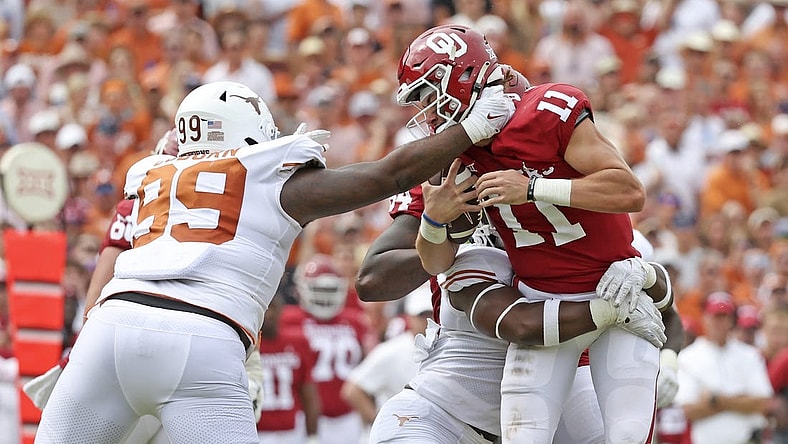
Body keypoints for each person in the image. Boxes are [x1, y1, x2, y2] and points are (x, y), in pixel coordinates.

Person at [34, 79, 514, 443]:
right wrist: (470, 130)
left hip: (108, 328)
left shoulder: (152, 174)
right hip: (202, 338)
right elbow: (387, 174)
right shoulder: (265, 175)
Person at [397, 24, 661, 443]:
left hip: (613, 295)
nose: (427, 113)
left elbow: (629, 191)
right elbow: (436, 264)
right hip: (544, 307)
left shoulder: (545, 112)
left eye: (430, 95)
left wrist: (533, 187)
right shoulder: (458, 154)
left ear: (464, 77)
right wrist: (433, 221)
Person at [278, 254, 369, 444]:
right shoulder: (288, 319)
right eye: (318, 289)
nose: (324, 295)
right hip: (306, 416)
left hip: (348, 415)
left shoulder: (354, 320)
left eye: (330, 289)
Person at [674, 291, 773, 444]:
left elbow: (762, 403)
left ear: (732, 321)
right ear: (705, 318)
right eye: (715, 316)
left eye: (724, 317)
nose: (719, 322)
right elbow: (688, 411)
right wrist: (741, 399)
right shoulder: (688, 357)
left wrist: (715, 399)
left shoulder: (750, 354)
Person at [340, 281, 434, 440]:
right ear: (408, 317)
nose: (427, 321)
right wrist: (382, 424)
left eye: (430, 315)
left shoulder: (443, 348)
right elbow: (352, 390)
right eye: (421, 316)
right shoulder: (391, 350)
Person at [256, 291, 320, 444]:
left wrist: (312, 436)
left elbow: (309, 394)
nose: (269, 315)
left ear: (281, 309)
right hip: (257, 432)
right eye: (265, 310)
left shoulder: (297, 342)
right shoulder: (247, 346)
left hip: (292, 432)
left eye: (274, 308)